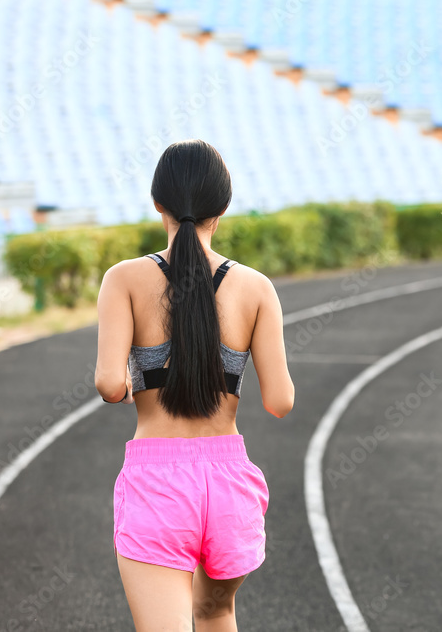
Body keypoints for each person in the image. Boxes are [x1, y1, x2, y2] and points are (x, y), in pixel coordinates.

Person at [94, 139, 295, 631]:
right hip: (229, 485)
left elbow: (109, 384)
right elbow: (280, 401)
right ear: (221, 208)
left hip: (158, 483)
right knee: (216, 612)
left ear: (157, 202)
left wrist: (135, 376)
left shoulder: (123, 279)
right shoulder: (256, 287)